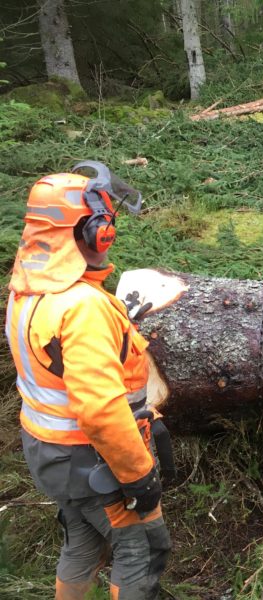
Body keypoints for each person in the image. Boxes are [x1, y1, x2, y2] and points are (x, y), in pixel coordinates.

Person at [5, 161, 171, 599]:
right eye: (105, 222)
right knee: (143, 551)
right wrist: (137, 473)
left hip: (49, 452)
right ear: (93, 231)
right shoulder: (82, 307)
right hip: (91, 458)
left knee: (82, 540)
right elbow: (99, 409)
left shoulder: (26, 288)